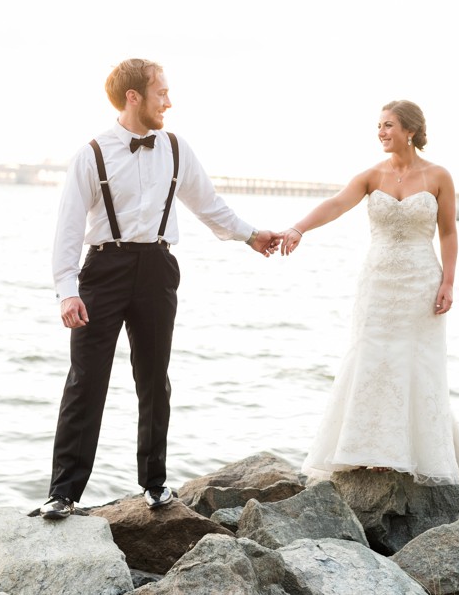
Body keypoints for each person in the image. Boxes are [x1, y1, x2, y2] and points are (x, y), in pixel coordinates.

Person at [41, 58, 281, 519]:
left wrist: (252, 236)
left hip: (157, 268)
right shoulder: (91, 154)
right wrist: (66, 291)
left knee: (154, 379)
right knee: (86, 380)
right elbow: (68, 228)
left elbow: (208, 205)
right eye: (161, 93)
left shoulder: (175, 147)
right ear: (134, 97)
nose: (168, 101)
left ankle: (154, 484)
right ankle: (64, 493)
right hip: (102, 271)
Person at [280, 100, 459, 485]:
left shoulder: (439, 176)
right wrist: (298, 228)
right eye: (378, 126)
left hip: (421, 281)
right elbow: (337, 204)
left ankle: (410, 452)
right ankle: (365, 448)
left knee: (415, 362)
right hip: (377, 282)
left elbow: (449, 231)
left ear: (410, 130)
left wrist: (449, 282)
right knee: (370, 357)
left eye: (388, 125)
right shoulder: (372, 175)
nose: (381, 132)